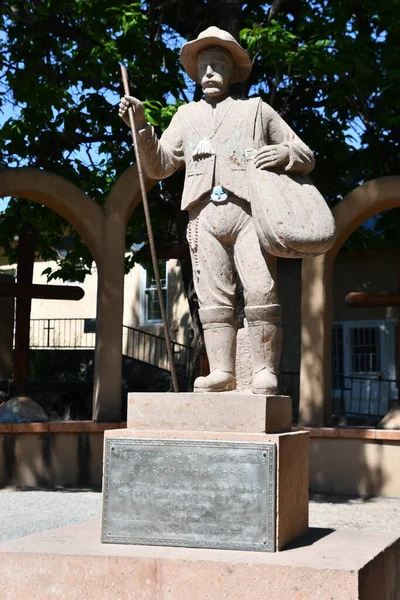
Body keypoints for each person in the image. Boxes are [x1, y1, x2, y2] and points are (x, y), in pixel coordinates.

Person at [119, 26, 315, 395]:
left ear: (232, 72)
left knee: (260, 289)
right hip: (203, 216)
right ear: (195, 73)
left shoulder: (256, 110)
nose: (209, 73)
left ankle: (262, 371)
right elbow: (160, 166)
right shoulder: (186, 116)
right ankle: (222, 371)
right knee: (212, 297)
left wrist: (285, 154)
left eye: (218, 66)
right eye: (204, 66)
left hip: (249, 213)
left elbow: (305, 153)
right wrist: (141, 126)